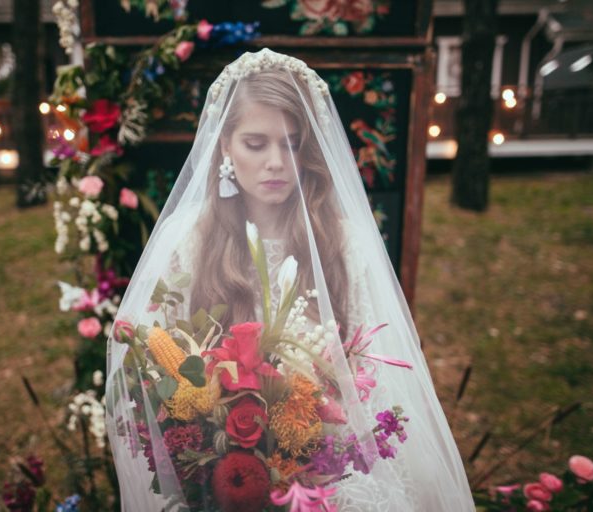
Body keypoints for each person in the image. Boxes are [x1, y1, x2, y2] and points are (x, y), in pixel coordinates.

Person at [105, 49, 474, 511]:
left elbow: (376, 377)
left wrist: (323, 463)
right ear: (225, 146)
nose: (276, 162)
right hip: (218, 472)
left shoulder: (342, 241)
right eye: (256, 144)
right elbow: (153, 364)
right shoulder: (191, 241)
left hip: (330, 469)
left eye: (292, 143)